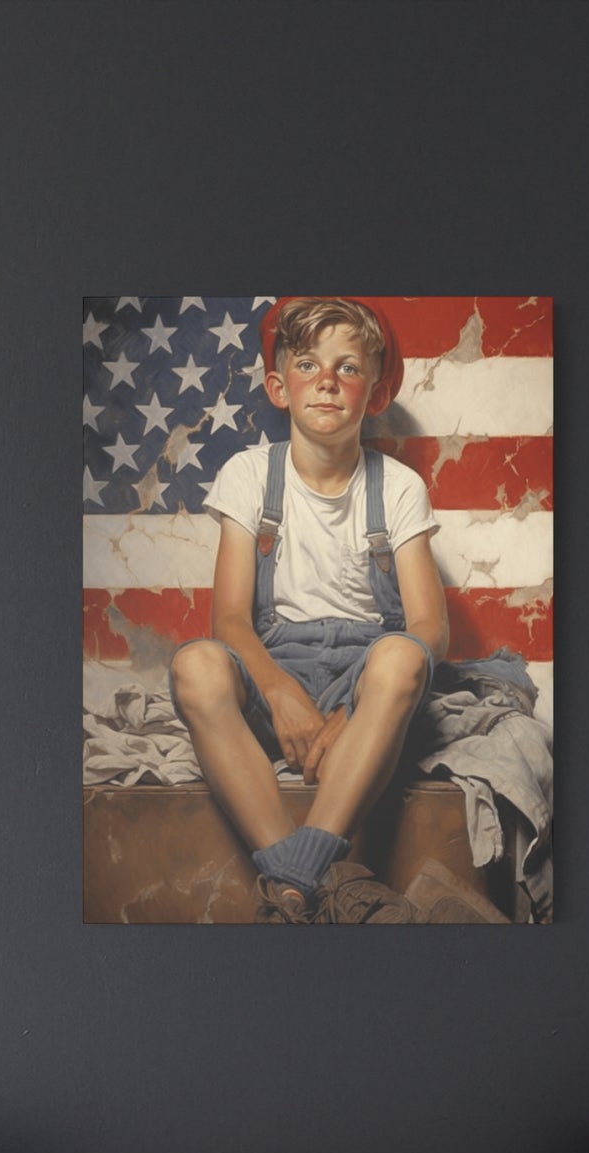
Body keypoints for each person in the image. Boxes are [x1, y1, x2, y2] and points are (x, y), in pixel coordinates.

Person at [170, 296, 462, 923]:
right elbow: (228, 621)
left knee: (402, 657)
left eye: (349, 367)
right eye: (309, 363)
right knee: (195, 664)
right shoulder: (250, 474)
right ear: (278, 386)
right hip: (275, 664)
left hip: (367, 672)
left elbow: (429, 628)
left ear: (376, 394)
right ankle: (329, 883)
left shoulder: (399, 486)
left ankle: (291, 883)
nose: (328, 380)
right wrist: (276, 691)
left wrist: (352, 715)